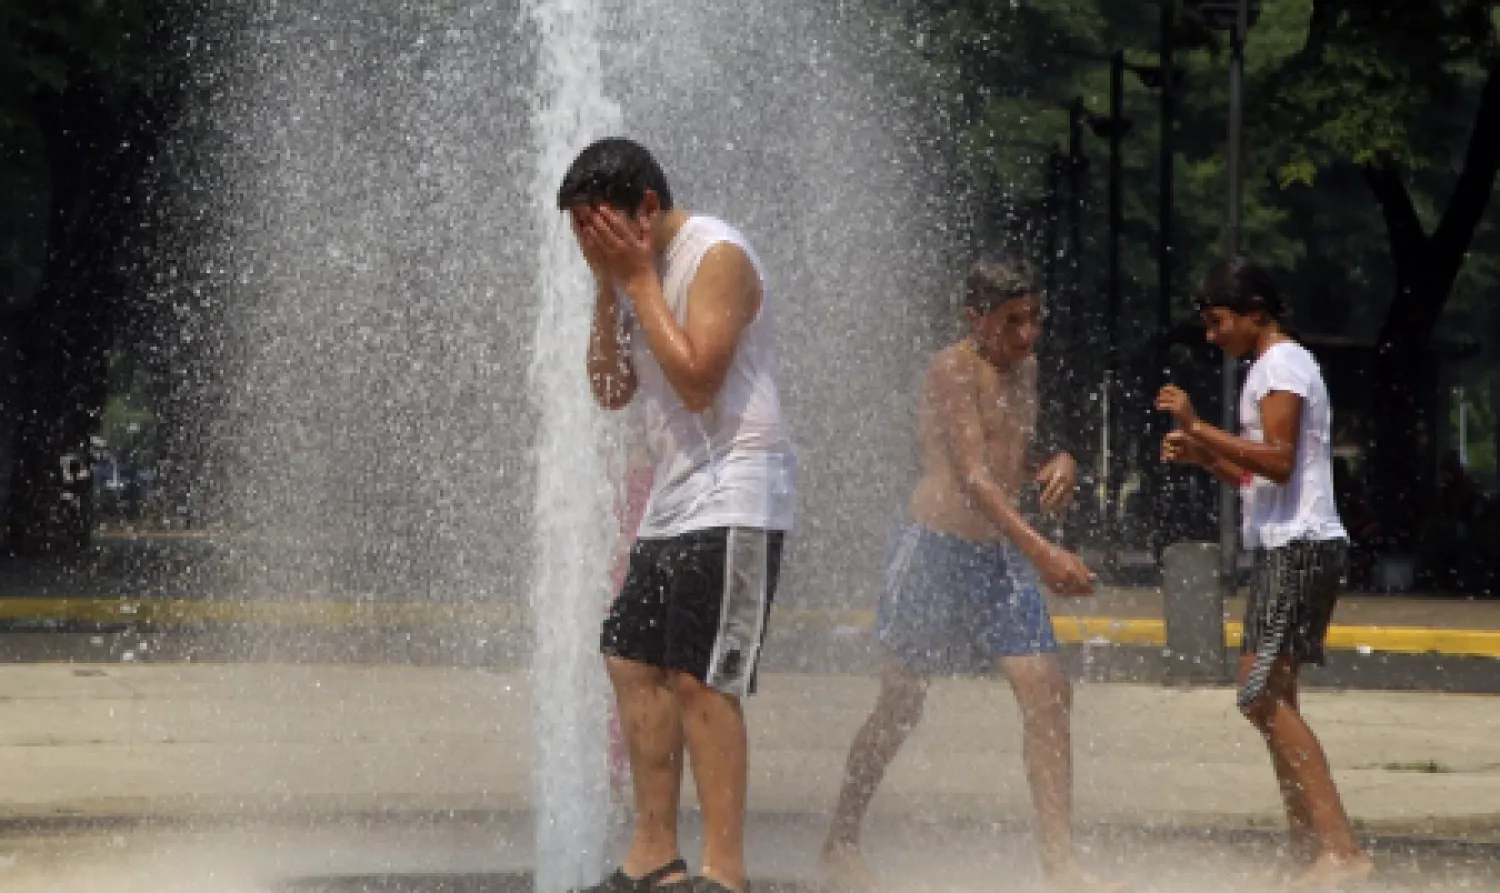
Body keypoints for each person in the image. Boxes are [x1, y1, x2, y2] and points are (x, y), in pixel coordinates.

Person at [819, 255, 1118, 893]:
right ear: (974, 318)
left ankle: (1060, 863)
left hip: (999, 558)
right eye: (1013, 322)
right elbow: (975, 477)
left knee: (1047, 692)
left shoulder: (1026, 369)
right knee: (901, 704)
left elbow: (1010, 451)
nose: (1027, 335)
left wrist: (1057, 459)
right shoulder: (951, 369)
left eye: (1035, 320)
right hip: (935, 551)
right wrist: (1045, 553)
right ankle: (841, 836)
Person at [559, 137, 797, 893]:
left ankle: (724, 872)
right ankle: (653, 855)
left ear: (647, 209)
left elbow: (698, 380)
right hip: (676, 495)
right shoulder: (632, 277)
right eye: (581, 239)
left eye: (600, 231)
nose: (590, 249)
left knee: (702, 678)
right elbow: (609, 390)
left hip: (739, 488)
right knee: (630, 657)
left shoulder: (716, 254)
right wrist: (611, 289)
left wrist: (634, 281)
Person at [1155, 256, 1373, 888]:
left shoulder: (1282, 364)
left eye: (1219, 321)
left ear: (1256, 314)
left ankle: (1341, 849)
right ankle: (1309, 847)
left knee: (1258, 691)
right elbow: (1259, 478)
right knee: (1274, 696)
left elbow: (1277, 460)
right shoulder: (1270, 367)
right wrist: (1204, 455)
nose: (1211, 334)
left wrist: (1201, 427)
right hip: (1291, 543)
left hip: (1299, 548)